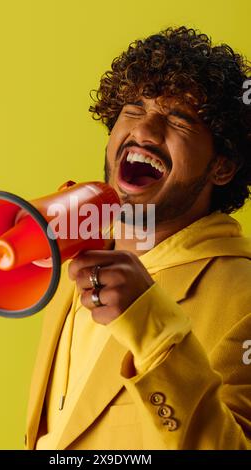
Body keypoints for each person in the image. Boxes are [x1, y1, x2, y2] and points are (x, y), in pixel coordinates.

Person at [25, 26, 251, 450]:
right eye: (133, 108)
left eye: (179, 119)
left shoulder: (244, 298)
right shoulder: (77, 257)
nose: (144, 130)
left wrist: (152, 326)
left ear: (221, 168)